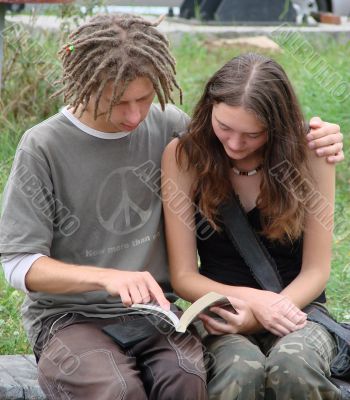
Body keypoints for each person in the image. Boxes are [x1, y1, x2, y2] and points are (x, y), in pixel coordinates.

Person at [0, 13, 344, 400]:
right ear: (82, 82)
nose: (134, 116)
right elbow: (16, 263)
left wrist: (318, 137)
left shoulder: (165, 124)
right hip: (70, 317)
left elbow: (251, 127)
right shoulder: (42, 146)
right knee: (117, 388)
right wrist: (105, 277)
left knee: (186, 378)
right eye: (117, 102)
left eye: (144, 98)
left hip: (154, 314)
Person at [161, 52, 342, 400]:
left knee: (295, 367)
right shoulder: (184, 156)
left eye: (252, 134)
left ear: (277, 127)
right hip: (221, 311)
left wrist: (269, 314)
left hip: (299, 308)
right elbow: (184, 277)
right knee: (239, 373)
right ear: (209, 108)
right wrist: (256, 304)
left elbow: (317, 270)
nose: (234, 144)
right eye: (224, 127)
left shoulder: (311, 153)